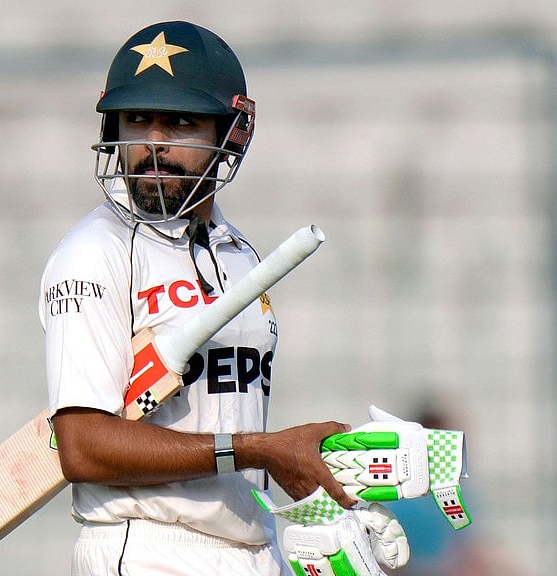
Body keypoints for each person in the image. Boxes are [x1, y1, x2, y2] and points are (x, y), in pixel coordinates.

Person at [39, 21, 362, 575]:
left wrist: (314, 487)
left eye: (181, 122)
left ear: (232, 133)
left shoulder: (239, 254)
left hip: (250, 548)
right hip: (148, 546)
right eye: (137, 118)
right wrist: (260, 448)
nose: (154, 144)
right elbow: (83, 448)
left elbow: (230, 414)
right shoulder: (95, 251)